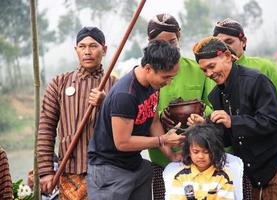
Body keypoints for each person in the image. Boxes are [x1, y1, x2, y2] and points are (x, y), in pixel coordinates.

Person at [191, 36, 277, 199]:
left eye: (211, 66)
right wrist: (206, 126)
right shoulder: (216, 95)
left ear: (227, 57)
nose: (209, 74)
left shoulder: (256, 81)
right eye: (204, 70)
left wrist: (232, 121)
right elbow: (228, 138)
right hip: (255, 165)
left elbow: (271, 121)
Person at [87, 40, 186, 200]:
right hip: (109, 169)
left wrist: (172, 156)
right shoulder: (125, 95)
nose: (168, 83)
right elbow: (123, 143)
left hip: (135, 164)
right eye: (166, 77)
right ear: (148, 69)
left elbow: (153, 122)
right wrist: (162, 139)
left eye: (172, 78)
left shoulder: (153, 86)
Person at [37, 26, 117, 199]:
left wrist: (106, 103)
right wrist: (45, 171)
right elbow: (46, 128)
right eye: (82, 46)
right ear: (76, 50)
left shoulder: (116, 86)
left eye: (93, 46)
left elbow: (126, 127)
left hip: (107, 172)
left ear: (104, 49)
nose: (87, 51)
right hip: (69, 172)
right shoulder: (59, 83)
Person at [146, 13, 215, 199]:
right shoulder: (145, 73)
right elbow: (140, 114)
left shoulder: (198, 70)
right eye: (161, 43)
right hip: (161, 158)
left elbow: (213, 107)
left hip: (200, 156)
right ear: (149, 41)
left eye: (172, 41)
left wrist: (202, 113)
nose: (168, 48)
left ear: (180, 37)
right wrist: (161, 116)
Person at [212, 18, 277, 115]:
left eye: (229, 42)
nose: (224, 47)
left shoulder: (264, 67)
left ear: (243, 41)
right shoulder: (212, 73)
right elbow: (210, 106)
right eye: (219, 44)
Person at [165, 123, 234, 200]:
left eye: (206, 152)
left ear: (215, 151)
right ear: (188, 151)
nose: (201, 156)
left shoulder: (223, 177)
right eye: (195, 152)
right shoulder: (180, 177)